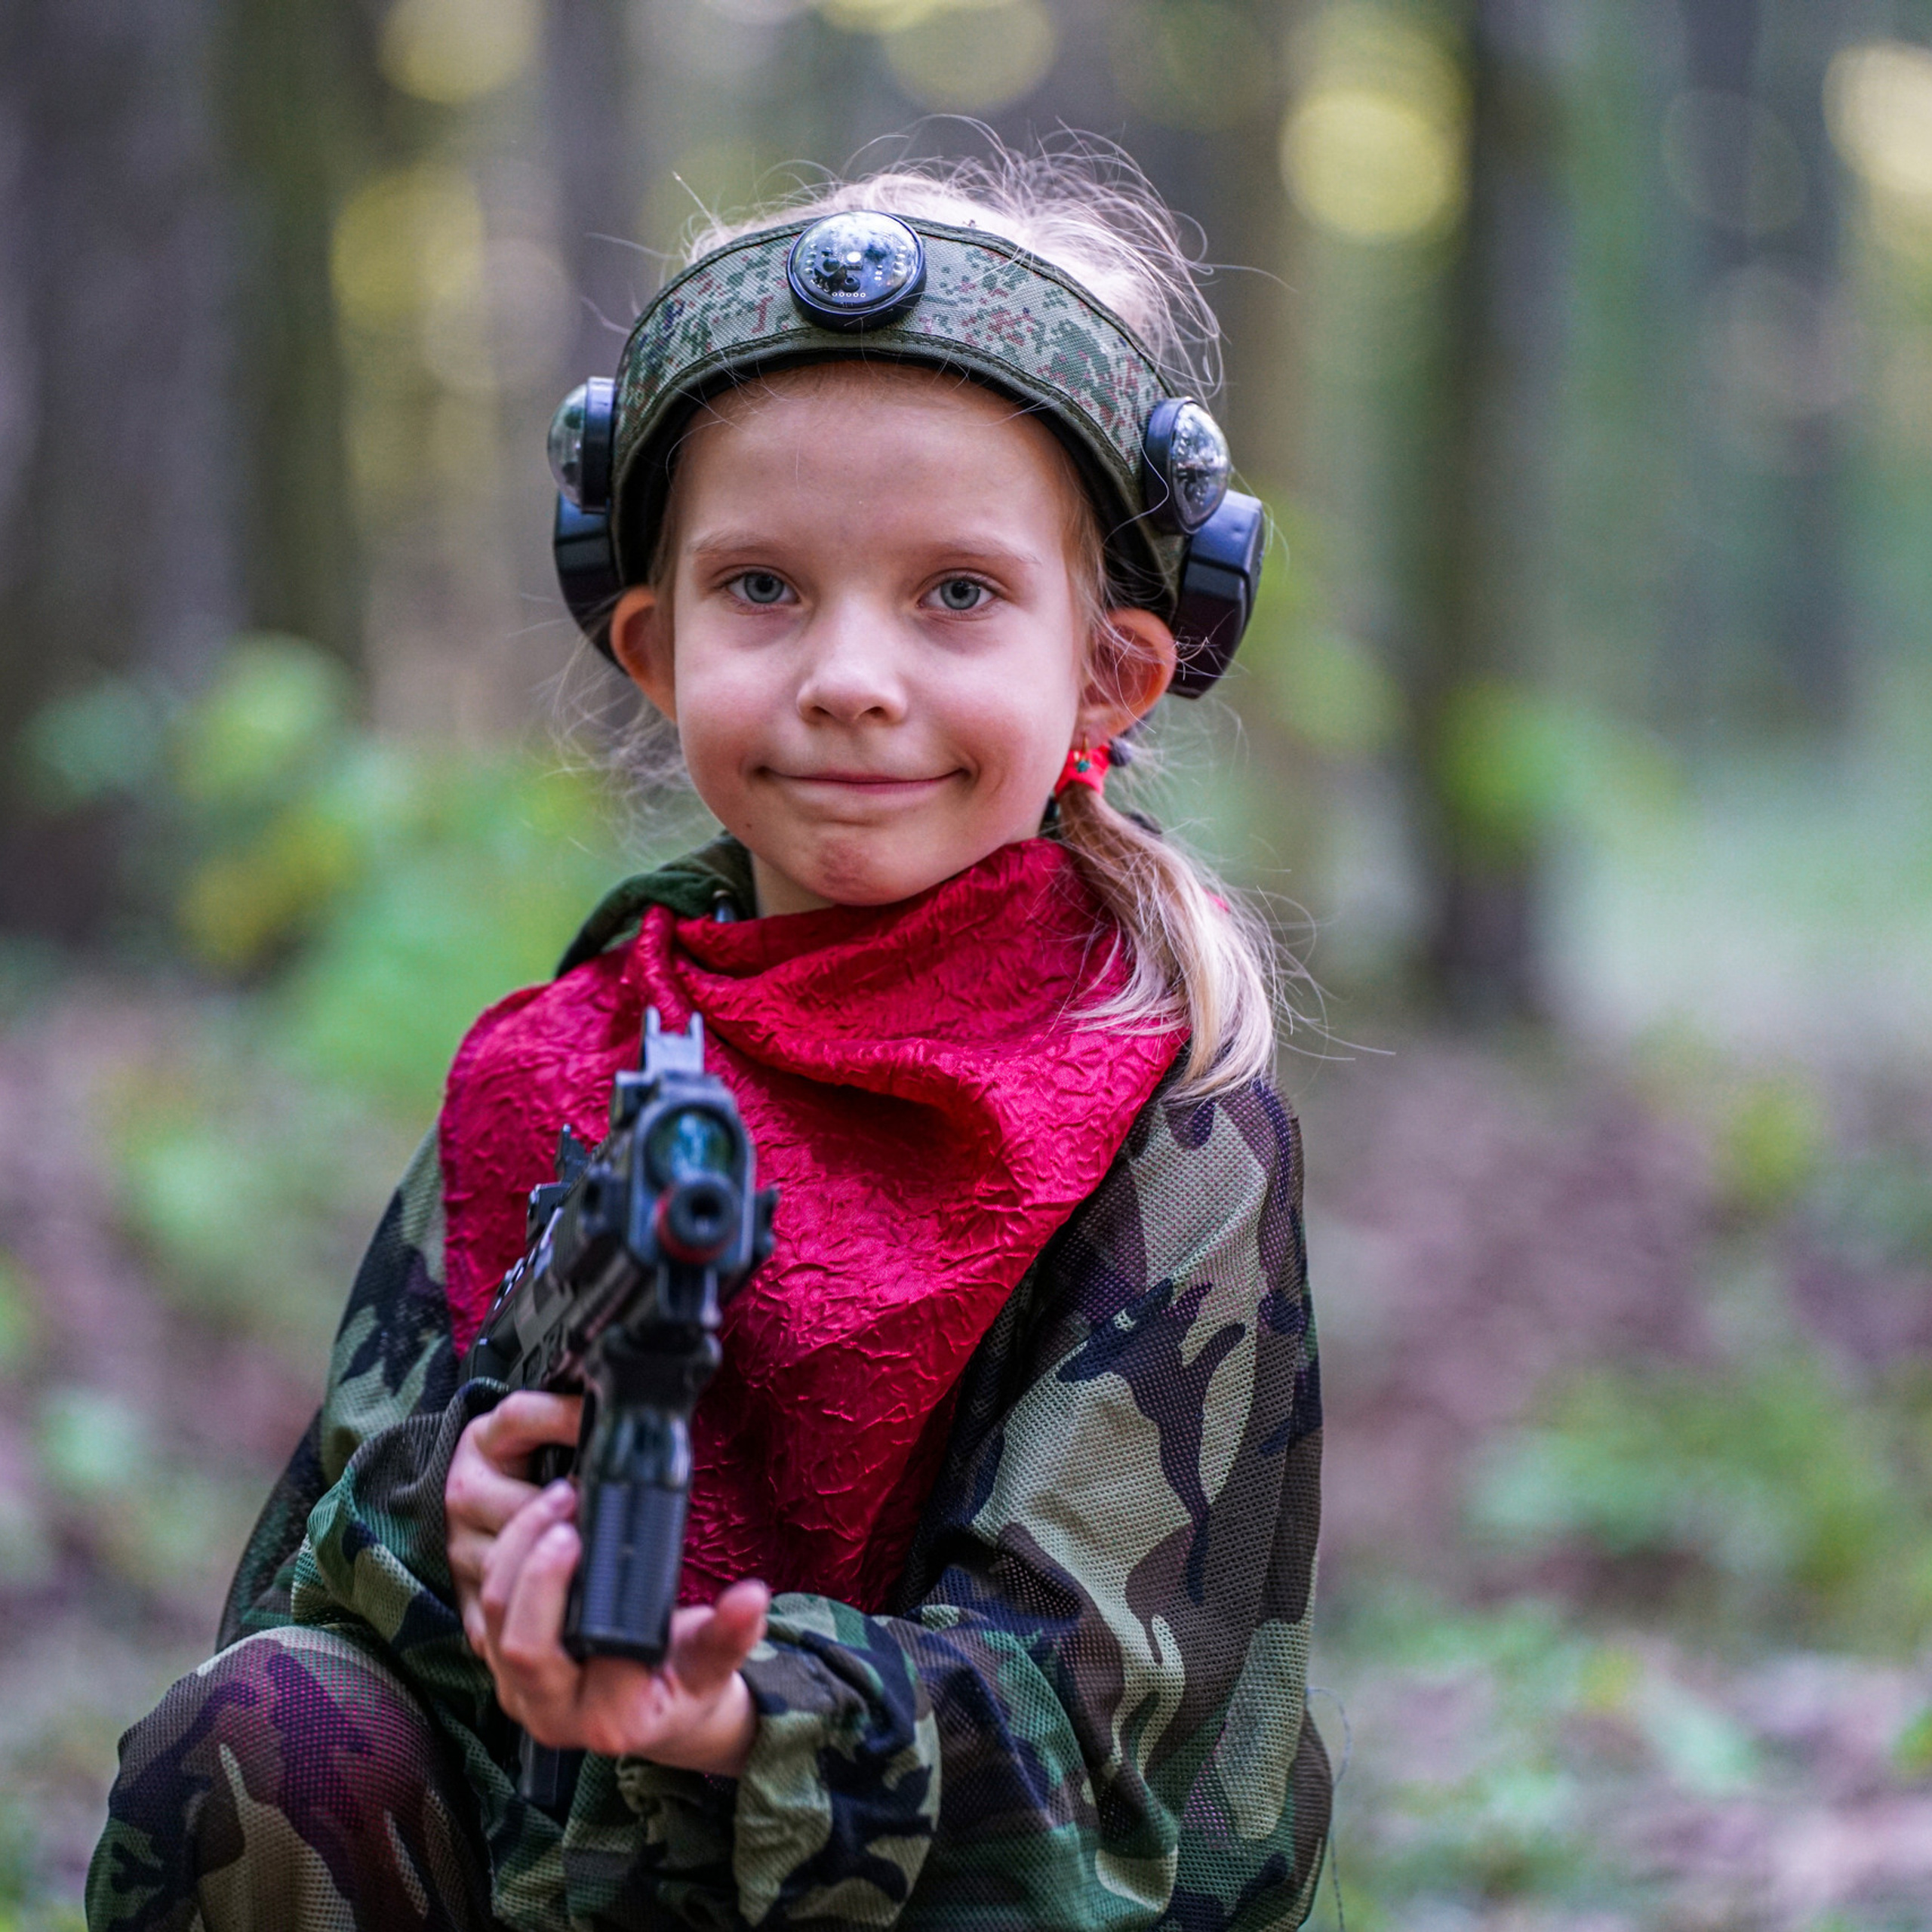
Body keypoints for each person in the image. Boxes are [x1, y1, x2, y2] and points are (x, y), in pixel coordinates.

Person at [87, 149, 1329, 1932]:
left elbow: (1104, 1763)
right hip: (562, 1880)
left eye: (955, 592)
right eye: (763, 586)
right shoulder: (551, 1076)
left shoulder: (1159, 1106)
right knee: (266, 1728)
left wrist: (739, 1708)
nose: (848, 674)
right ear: (653, 647)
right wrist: (463, 1526)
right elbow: (309, 1596)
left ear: (1110, 672)